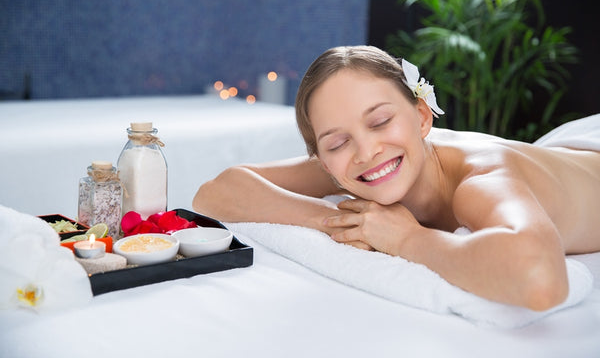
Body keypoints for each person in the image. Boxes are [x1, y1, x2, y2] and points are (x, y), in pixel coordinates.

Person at [193, 45, 600, 311]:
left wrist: (407, 239)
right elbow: (217, 192)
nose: (367, 151)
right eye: (337, 144)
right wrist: (336, 222)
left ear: (422, 117)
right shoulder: (355, 165)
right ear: (322, 161)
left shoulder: (482, 180)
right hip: (560, 153)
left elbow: (540, 280)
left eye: (381, 121)